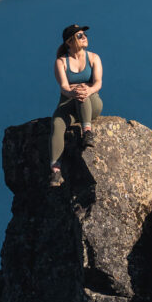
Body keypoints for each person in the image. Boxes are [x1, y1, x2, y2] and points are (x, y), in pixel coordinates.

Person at [49, 23, 103, 187]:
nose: (84, 37)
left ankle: (87, 132)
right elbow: (64, 87)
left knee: (83, 92)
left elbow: (98, 83)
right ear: (69, 42)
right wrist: (73, 92)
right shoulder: (61, 62)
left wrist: (87, 90)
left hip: (92, 103)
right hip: (68, 104)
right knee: (57, 124)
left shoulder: (93, 58)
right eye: (80, 36)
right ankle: (55, 172)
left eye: (84, 34)